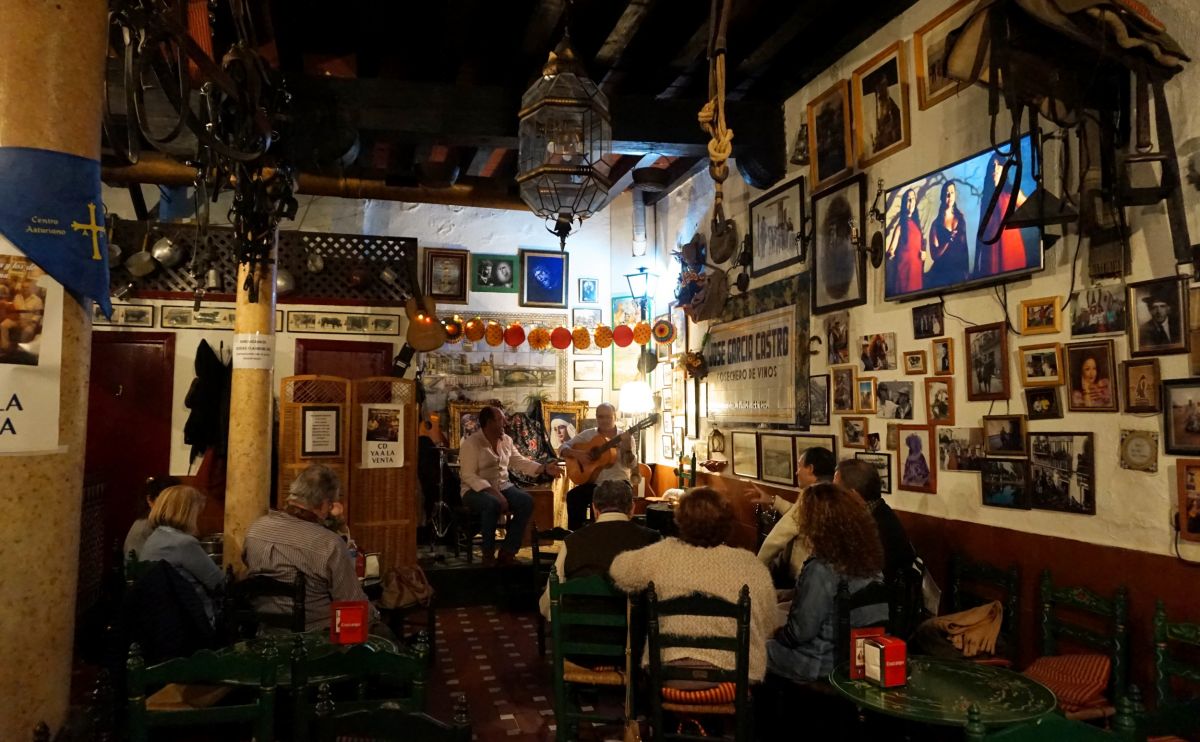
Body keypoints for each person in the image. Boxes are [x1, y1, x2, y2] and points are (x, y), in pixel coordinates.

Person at [610, 487, 781, 682]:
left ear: (680, 521)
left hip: (670, 673)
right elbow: (769, 624)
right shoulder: (751, 565)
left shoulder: (663, 554)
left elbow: (619, 570)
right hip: (734, 679)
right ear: (727, 523)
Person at [765, 483, 889, 682]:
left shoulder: (821, 568)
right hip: (860, 661)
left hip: (820, 664)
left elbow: (800, 633)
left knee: (751, 648)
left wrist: (774, 633)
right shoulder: (869, 562)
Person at [244, 464, 378, 631]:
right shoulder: (329, 544)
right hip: (315, 635)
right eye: (330, 506)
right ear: (324, 503)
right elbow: (352, 604)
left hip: (265, 632)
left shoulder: (255, 529)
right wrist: (376, 616)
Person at [538, 480, 659, 665]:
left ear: (595, 509)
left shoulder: (573, 542)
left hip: (580, 650)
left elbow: (548, 605)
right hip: (636, 652)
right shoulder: (651, 540)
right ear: (632, 508)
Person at [459, 405, 562, 565]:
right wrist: (494, 493)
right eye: (501, 419)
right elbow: (468, 475)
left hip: (502, 485)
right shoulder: (471, 443)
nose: (506, 423)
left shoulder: (506, 440)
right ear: (489, 423)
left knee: (526, 501)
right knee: (492, 503)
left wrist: (544, 468)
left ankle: (508, 551)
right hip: (474, 490)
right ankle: (488, 553)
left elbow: (519, 461)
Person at [140, 485, 225, 627]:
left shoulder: (154, 538)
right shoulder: (183, 543)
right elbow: (219, 583)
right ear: (187, 512)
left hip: (162, 620)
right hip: (192, 622)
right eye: (197, 512)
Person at [755, 447, 836, 581]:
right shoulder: (836, 494)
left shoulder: (811, 496)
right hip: (828, 574)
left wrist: (756, 568)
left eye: (799, 466)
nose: (796, 472)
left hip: (803, 574)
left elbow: (777, 539)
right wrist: (773, 501)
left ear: (810, 469)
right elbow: (801, 516)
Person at [559, 403, 638, 530]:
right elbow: (562, 448)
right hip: (595, 484)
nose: (604, 420)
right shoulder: (588, 435)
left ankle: (619, 534)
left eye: (608, 417)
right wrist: (577, 454)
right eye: (601, 417)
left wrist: (627, 449)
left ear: (615, 417)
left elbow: (631, 465)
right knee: (573, 496)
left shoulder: (625, 437)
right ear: (596, 418)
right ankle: (577, 536)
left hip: (619, 482)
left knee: (611, 498)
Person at [836, 459, 915, 580]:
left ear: (853, 495)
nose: (832, 496)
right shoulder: (878, 511)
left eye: (835, 490)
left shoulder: (877, 527)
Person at [974, 152, 1030, 277]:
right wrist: (976, 263)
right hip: (989, 256)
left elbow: (1032, 210)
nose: (995, 168)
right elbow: (980, 231)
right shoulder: (985, 199)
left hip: (1010, 251)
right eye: (992, 165)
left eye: (998, 164)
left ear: (1005, 168)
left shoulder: (1011, 192)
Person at [124, 474, 182, 559]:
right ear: (150, 500)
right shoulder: (145, 528)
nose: (173, 505)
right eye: (166, 500)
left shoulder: (166, 522)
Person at [926, 182, 970, 287]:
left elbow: (964, 248)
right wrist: (947, 241)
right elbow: (934, 255)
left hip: (959, 272)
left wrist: (966, 272)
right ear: (942, 197)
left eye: (952, 192)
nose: (949, 196)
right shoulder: (936, 224)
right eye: (947, 193)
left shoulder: (961, 218)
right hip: (942, 274)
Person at [885, 189, 923, 295]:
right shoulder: (900, 226)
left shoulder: (917, 225)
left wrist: (923, 254)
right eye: (908, 200)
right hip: (904, 274)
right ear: (904, 203)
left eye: (913, 199)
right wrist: (891, 253)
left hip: (916, 273)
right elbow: (891, 249)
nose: (911, 202)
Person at [871, 73, 902, 152]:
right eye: (882, 85)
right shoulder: (876, 104)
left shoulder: (890, 103)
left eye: (885, 84)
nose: (885, 87)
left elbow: (897, 121)